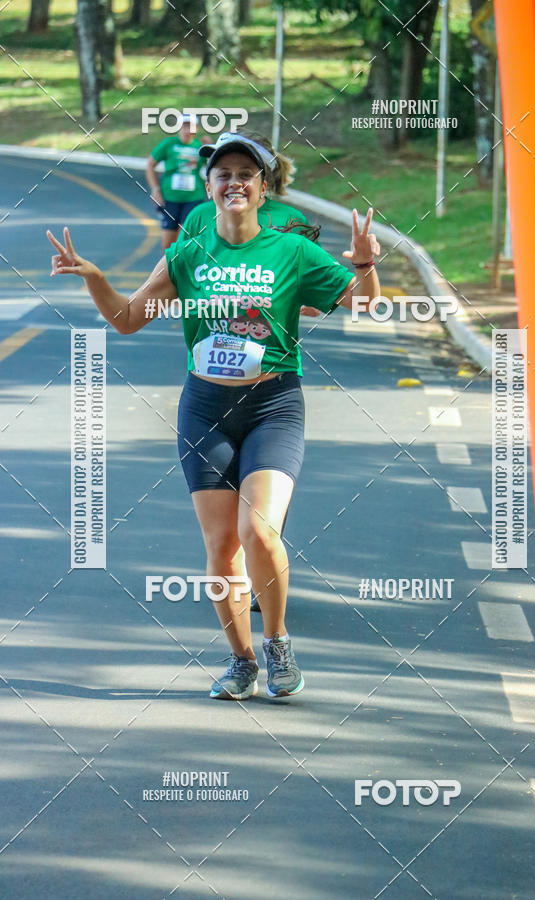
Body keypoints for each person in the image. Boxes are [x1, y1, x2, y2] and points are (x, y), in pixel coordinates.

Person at [47, 133, 381, 702]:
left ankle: (277, 643)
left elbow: (366, 302)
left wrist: (365, 261)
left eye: (246, 174)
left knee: (259, 531)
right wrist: (95, 278)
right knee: (222, 546)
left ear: (262, 187)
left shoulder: (291, 250)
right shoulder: (188, 253)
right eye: (223, 173)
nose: (234, 182)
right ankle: (242, 660)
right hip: (204, 408)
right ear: (209, 187)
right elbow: (129, 319)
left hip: (273, 403)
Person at [173, 131, 313, 249]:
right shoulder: (200, 215)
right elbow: (179, 271)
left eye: (245, 173)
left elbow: (313, 275)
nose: (233, 182)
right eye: (222, 169)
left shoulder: (290, 218)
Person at [145, 114, 208, 249]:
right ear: (179, 128)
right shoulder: (169, 144)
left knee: (185, 238)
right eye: (185, 127)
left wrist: (210, 149)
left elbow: (213, 168)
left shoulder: (200, 146)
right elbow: (150, 164)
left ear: (196, 128)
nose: (187, 130)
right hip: (170, 197)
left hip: (193, 198)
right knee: (168, 241)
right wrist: (155, 189)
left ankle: (182, 268)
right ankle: (167, 269)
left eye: (191, 127)